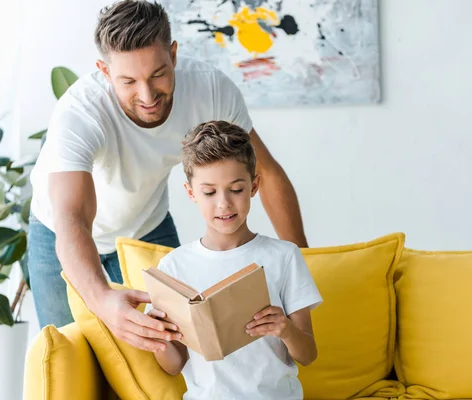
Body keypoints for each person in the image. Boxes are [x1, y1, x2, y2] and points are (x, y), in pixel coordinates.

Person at [27, 0, 308, 353]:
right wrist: (101, 298)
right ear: (104, 70)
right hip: (61, 236)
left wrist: (305, 263)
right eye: (128, 80)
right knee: (67, 353)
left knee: (181, 347)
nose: (147, 96)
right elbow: (73, 217)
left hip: (148, 223)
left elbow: (266, 173)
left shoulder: (210, 89)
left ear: (173, 55)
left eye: (158, 74)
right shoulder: (80, 111)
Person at [146, 120, 321, 399]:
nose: (224, 204)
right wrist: (160, 337)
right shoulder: (174, 267)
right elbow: (173, 366)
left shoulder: (284, 256)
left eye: (236, 189)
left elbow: (308, 355)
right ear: (191, 193)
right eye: (209, 192)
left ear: (254, 186)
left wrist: (285, 329)